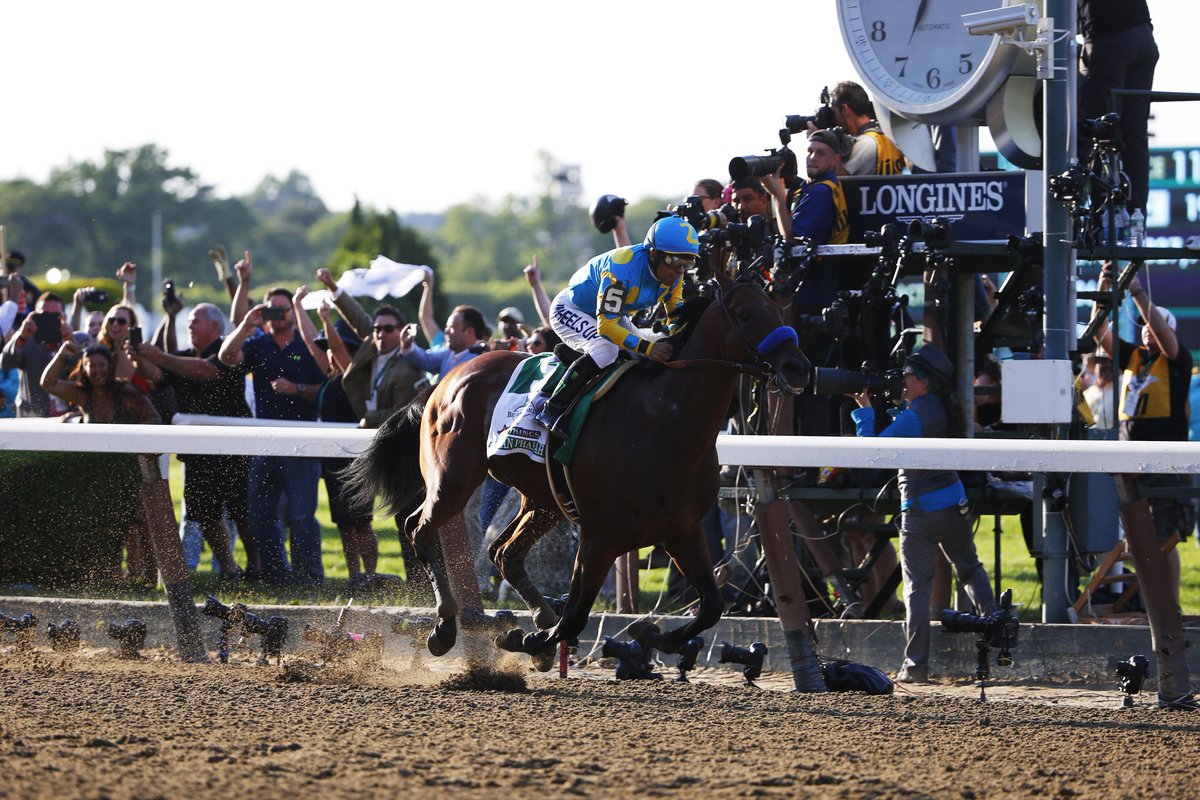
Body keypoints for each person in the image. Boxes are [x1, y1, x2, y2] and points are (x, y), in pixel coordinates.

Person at [847, 345, 995, 683]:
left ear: (924, 382)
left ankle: (916, 666)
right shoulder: (945, 408)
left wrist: (864, 411)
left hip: (919, 513)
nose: (903, 379)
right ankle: (998, 632)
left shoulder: (913, 417)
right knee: (970, 569)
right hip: (954, 505)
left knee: (916, 589)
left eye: (908, 375)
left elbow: (873, 454)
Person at [534, 215, 696, 437]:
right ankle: (551, 407)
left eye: (687, 262)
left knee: (642, 353)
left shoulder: (676, 276)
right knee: (606, 349)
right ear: (653, 253)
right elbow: (607, 328)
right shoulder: (621, 269)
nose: (679, 270)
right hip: (571, 309)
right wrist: (650, 348)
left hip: (609, 313)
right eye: (673, 261)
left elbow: (675, 317)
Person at [1093, 267, 1192, 606]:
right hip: (1131, 460)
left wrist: (1137, 292)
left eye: (1156, 325)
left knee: (1164, 538)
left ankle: (1172, 605)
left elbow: (1166, 339)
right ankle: (1152, 603)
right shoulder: (1133, 357)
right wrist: (1104, 288)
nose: (1149, 330)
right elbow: (1099, 332)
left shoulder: (1178, 360)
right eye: (1146, 327)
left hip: (1165, 460)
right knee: (1136, 540)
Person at [130, 303, 251, 579]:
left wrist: (160, 355)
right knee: (204, 512)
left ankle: (258, 565)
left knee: (241, 511)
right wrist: (139, 358)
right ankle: (230, 568)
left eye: (196, 321)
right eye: (190, 321)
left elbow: (205, 371)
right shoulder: (182, 357)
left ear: (216, 327)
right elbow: (157, 375)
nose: (190, 325)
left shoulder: (228, 352)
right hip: (197, 450)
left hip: (233, 447)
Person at [219, 287, 328, 585]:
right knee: (260, 512)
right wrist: (246, 324)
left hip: (301, 441)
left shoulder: (307, 344)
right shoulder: (259, 344)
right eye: (271, 310)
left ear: (292, 312)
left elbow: (330, 381)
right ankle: (276, 574)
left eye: (282, 309)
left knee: (302, 514)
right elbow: (227, 357)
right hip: (264, 442)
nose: (277, 316)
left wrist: (298, 389)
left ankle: (309, 575)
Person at [315, 267, 423, 428]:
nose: (381, 334)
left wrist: (370, 419)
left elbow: (404, 413)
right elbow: (357, 315)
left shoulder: (410, 364)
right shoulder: (373, 343)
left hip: (393, 436)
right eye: (377, 329)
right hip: (365, 427)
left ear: (401, 331)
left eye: (388, 329)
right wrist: (332, 286)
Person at [1078, 0, 1157, 214]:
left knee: (1101, 132)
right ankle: (1135, 218)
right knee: (1135, 135)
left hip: (1108, 39)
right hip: (1143, 37)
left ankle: (1100, 220)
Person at [763, 128, 851, 246]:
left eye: (821, 153)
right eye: (809, 151)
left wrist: (777, 195)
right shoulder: (831, 186)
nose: (812, 157)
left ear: (834, 160)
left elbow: (791, 239)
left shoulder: (821, 192)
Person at [1, 291, 71, 417]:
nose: (49, 321)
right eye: (43, 315)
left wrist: (69, 341)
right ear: (34, 316)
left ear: (64, 316)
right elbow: (6, 363)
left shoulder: (71, 341)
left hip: (67, 419)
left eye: (55, 316)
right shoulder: (25, 341)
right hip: (33, 418)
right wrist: (22, 337)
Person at [828, 80, 905, 176]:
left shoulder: (863, 144)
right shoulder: (889, 137)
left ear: (844, 109)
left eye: (833, 112)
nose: (833, 119)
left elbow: (834, 180)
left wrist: (820, 140)